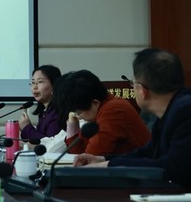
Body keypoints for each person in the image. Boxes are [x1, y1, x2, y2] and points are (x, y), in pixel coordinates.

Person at [74, 48, 191, 188]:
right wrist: (103, 159)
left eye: (132, 84)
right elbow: (148, 153)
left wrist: (108, 165)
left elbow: (173, 168)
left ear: (142, 90)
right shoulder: (170, 111)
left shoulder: (185, 112)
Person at [54, 69, 151, 156]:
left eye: (78, 112)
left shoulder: (113, 111)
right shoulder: (104, 108)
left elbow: (90, 158)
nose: (79, 117)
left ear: (95, 103)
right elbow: (78, 154)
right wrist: (73, 123)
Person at [19, 65, 63, 141]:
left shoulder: (57, 113)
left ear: (54, 85)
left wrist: (27, 128)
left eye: (40, 82)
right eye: (33, 82)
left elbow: (50, 144)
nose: (35, 87)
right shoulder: (44, 112)